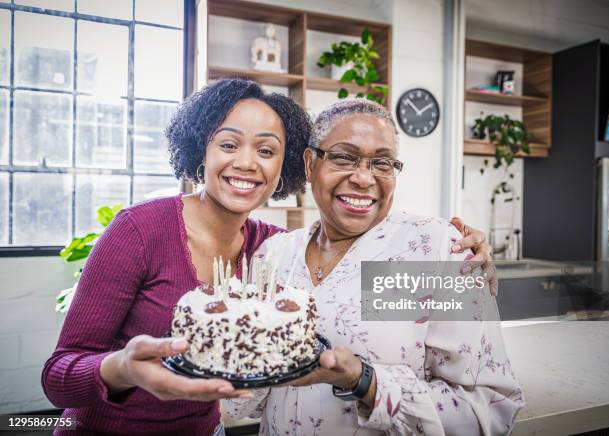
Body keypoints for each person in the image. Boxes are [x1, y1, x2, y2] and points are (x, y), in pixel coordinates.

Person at [224, 99, 524, 435]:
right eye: (343, 157)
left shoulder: (432, 250)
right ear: (310, 164)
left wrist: (365, 382)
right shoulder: (273, 256)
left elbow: (492, 407)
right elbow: (247, 402)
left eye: (382, 163)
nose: (364, 178)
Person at [41, 78, 311, 435]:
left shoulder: (274, 247)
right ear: (201, 150)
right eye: (229, 144)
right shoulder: (139, 230)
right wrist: (122, 368)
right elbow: (59, 376)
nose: (247, 162)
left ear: (284, 165)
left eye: (266, 151)